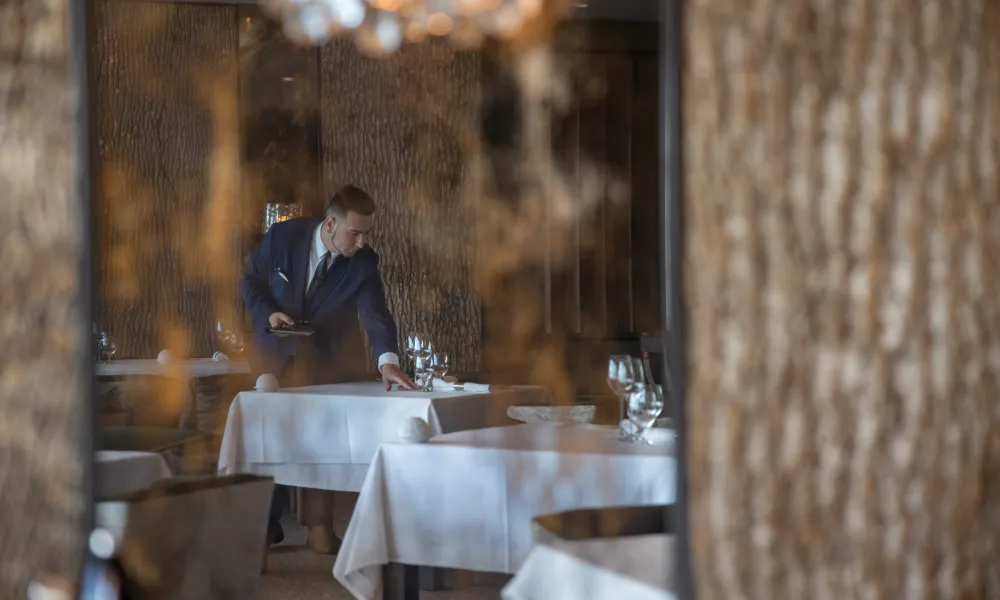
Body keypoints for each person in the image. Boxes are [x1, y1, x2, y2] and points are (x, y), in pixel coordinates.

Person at [240, 185, 417, 553]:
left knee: (322, 441)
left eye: (367, 232)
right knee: (269, 439)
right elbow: (250, 281)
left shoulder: (364, 261)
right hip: (275, 355)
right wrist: (268, 313)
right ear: (331, 223)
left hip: (328, 359)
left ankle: (320, 527)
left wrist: (388, 361)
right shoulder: (283, 236)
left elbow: (376, 314)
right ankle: (266, 522)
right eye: (355, 233)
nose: (362, 242)